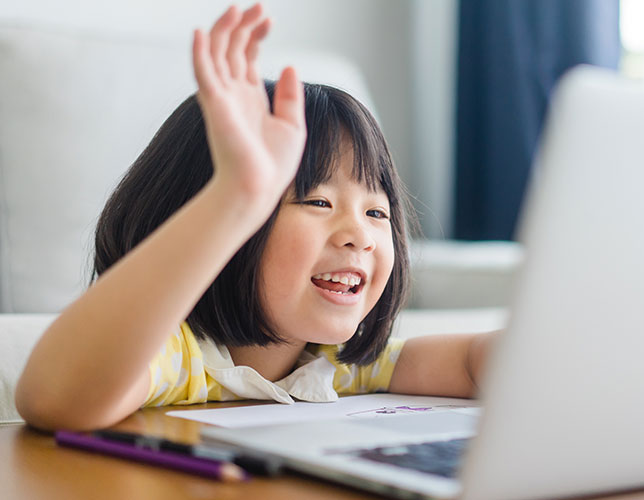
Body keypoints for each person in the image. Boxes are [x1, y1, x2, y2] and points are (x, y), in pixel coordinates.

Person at [15, 4, 494, 431]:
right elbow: (55, 400)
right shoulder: (179, 356)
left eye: (376, 212)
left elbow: (477, 364)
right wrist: (236, 195)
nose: (360, 237)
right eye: (318, 202)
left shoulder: (339, 364)